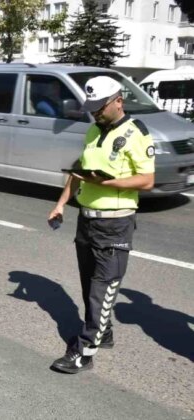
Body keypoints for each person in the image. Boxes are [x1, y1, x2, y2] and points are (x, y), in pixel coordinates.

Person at [47, 76, 155, 374]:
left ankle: (84, 352)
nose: (95, 112)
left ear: (118, 101)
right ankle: (101, 332)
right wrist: (60, 204)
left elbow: (147, 180)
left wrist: (108, 182)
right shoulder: (94, 130)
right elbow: (79, 171)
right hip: (87, 221)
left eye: (100, 106)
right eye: (91, 106)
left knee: (101, 290)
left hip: (115, 224)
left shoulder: (136, 134)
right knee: (87, 286)